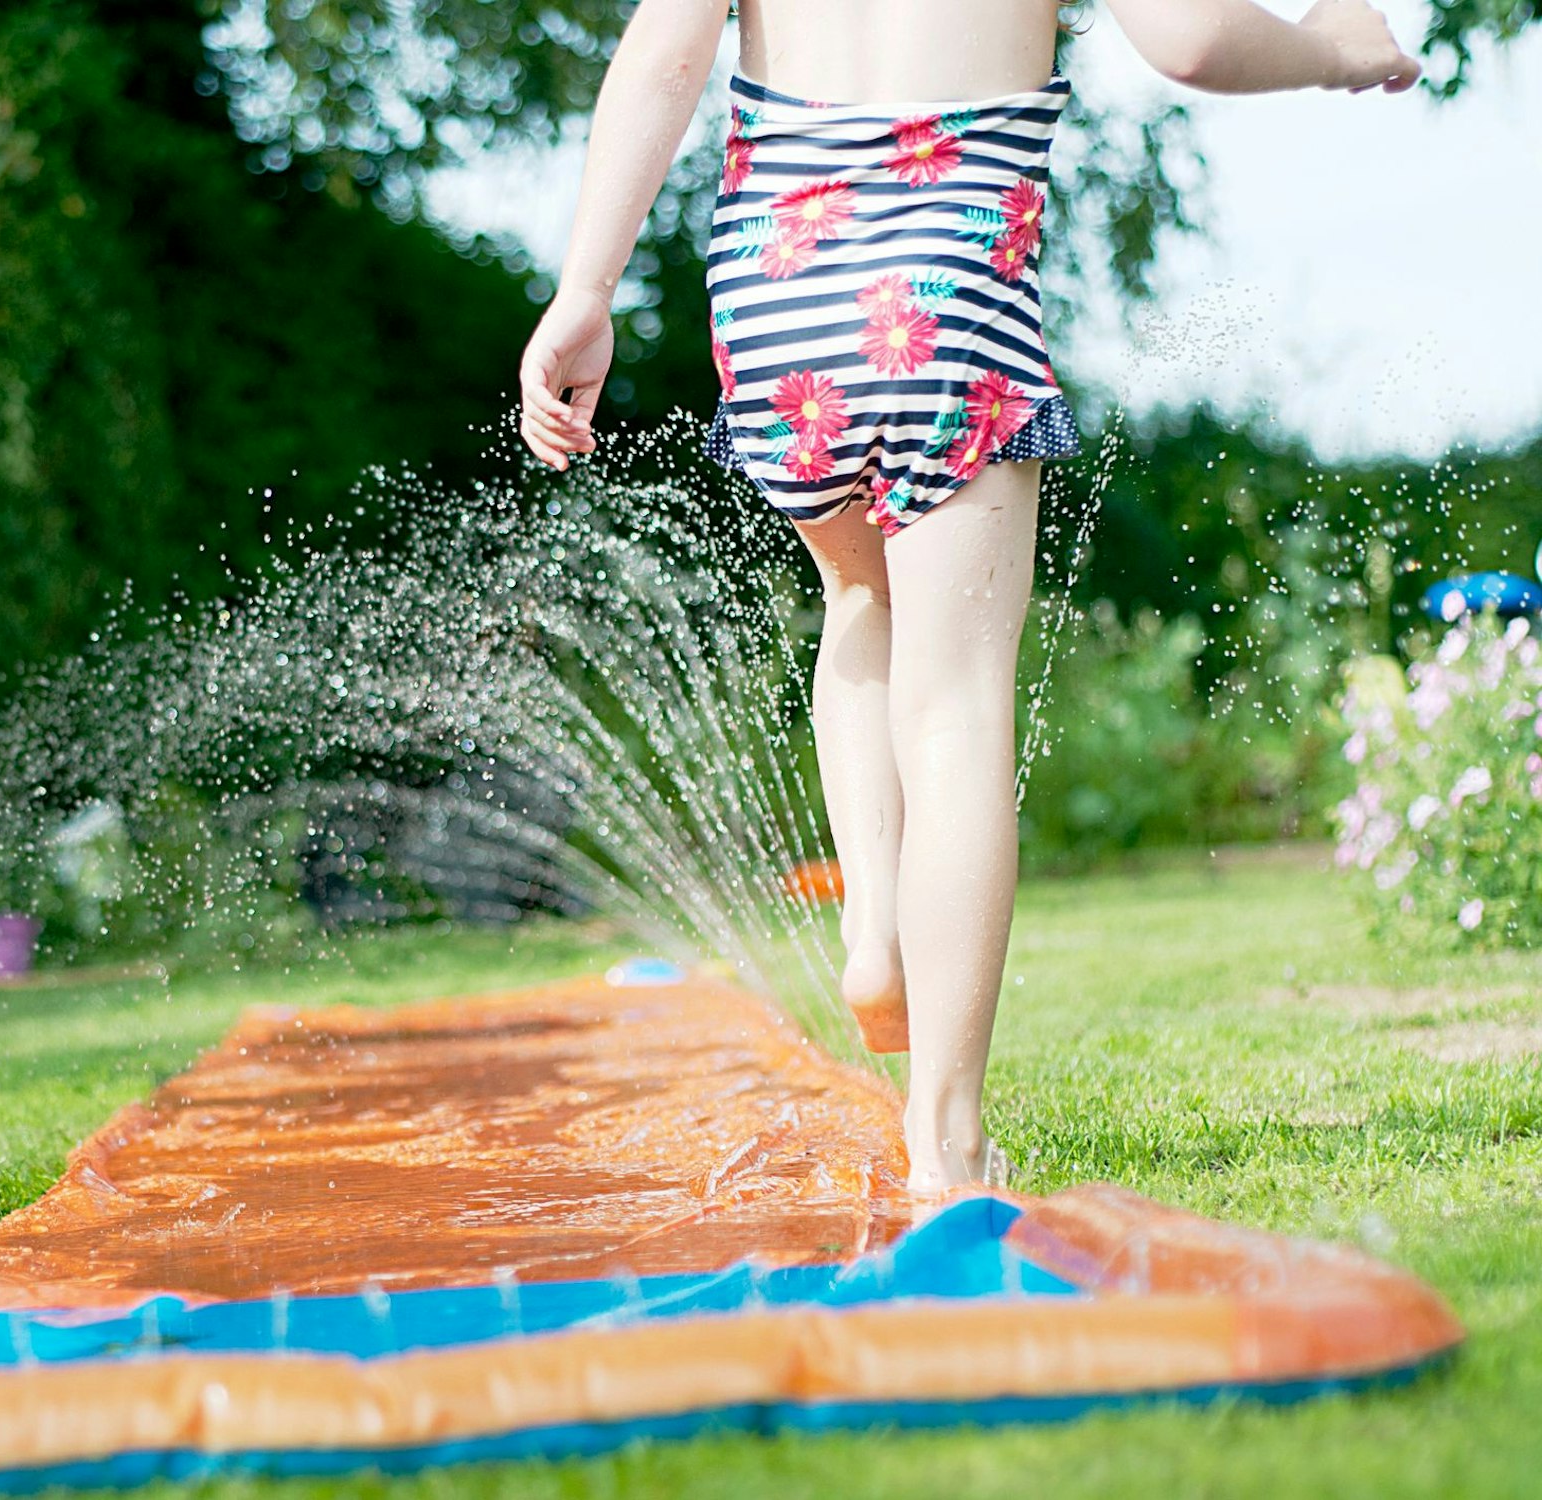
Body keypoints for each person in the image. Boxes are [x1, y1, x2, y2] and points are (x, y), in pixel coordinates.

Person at [517, 0, 1420, 1194]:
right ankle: (943, 1137)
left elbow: (659, 58)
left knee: (858, 597)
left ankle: (872, 924)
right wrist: (1331, 47)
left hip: (778, 302)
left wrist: (584, 291)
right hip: (943, 295)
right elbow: (1193, 42)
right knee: (953, 708)